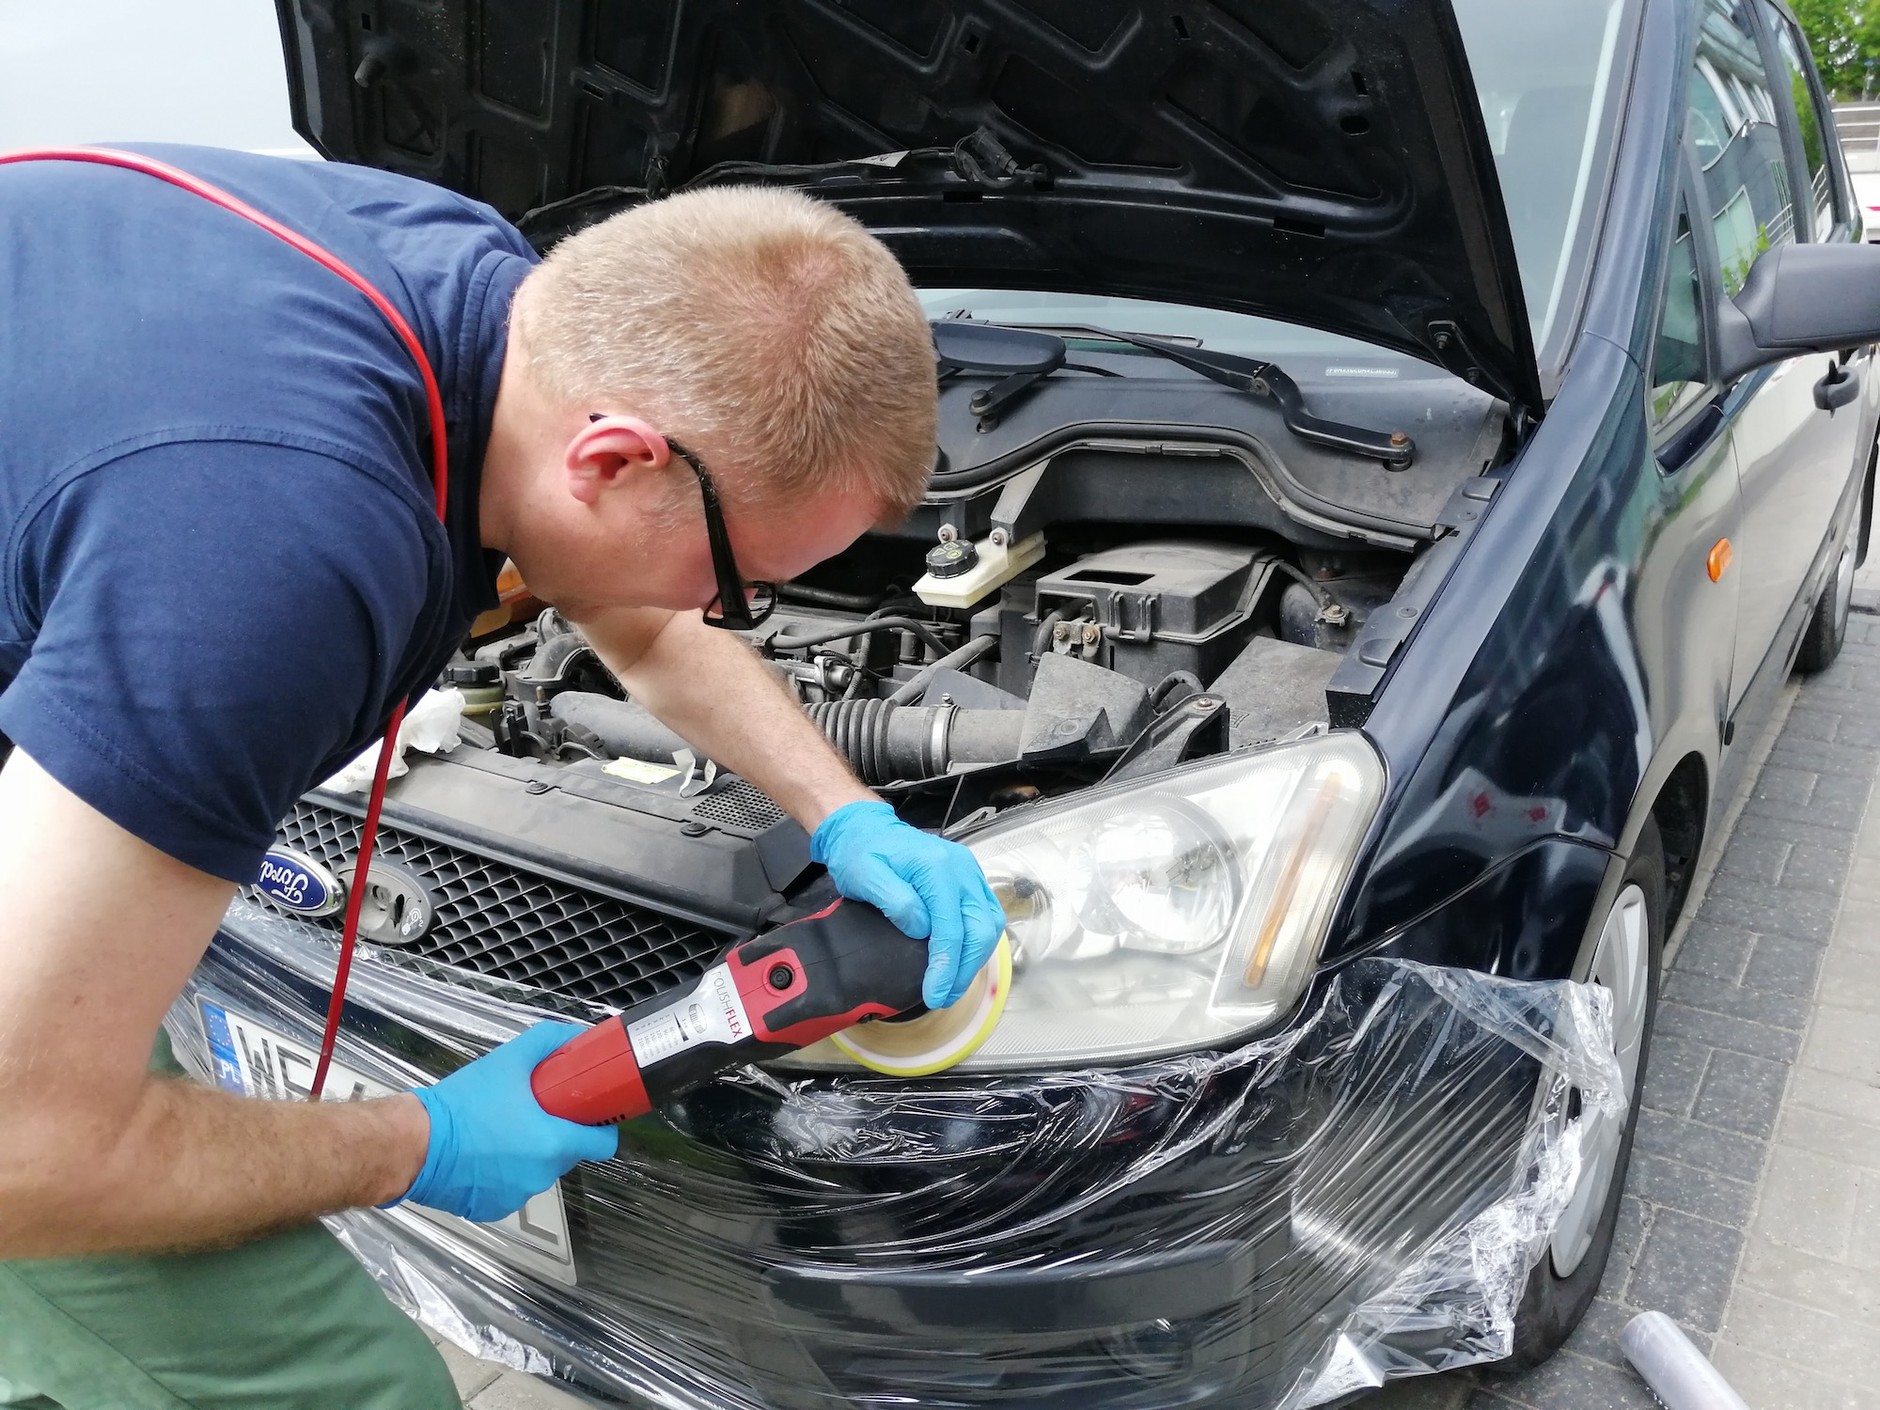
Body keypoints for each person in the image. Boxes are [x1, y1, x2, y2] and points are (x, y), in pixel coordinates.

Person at [0, 146, 1005, 1409]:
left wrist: (844, 812)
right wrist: (421, 1141)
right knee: (343, 1390)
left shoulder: (485, 296)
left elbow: (633, 609)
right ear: (616, 458)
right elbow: (23, 1152)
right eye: (740, 580)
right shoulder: (273, 556)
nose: (725, 612)